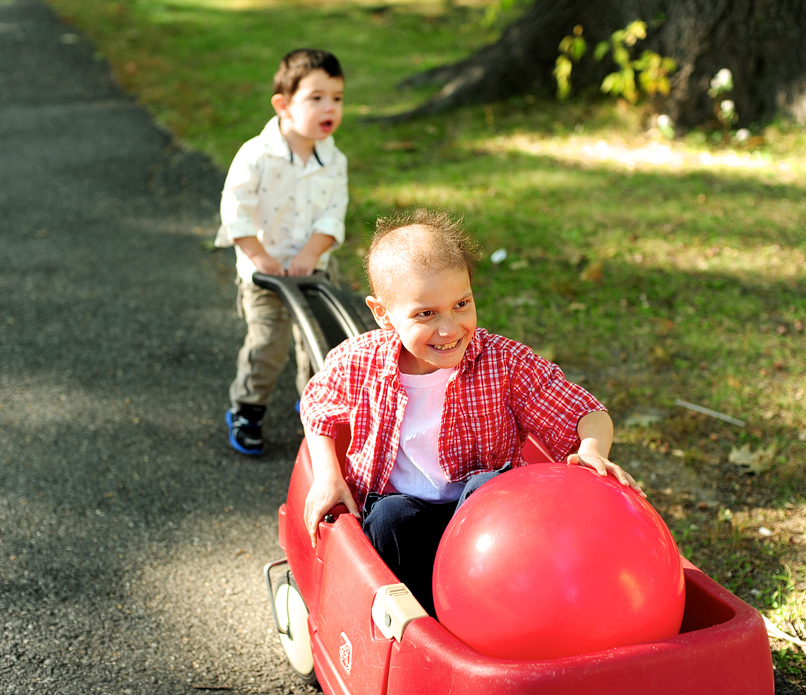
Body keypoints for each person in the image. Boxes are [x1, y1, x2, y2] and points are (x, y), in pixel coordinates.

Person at [298, 208, 643, 614]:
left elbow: (586, 411)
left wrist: (591, 451)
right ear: (382, 313)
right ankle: (422, 621)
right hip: (406, 518)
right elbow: (318, 404)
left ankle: (488, 609)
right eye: (426, 314)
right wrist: (327, 475)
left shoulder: (504, 362)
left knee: (489, 487)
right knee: (391, 518)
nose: (449, 328)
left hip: (487, 530)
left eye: (461, 303)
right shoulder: (359, 361)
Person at [214, 49, 348, 456]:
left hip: (313, 270)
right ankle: (247, 409)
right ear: (283, 105)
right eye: (317, 98)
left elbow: (333, 212)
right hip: (264, 274)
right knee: (269, 343)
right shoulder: (257, 154)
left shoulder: (333, 159)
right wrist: (259, 257)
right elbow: (235, 209)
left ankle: (315, 401)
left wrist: (312, 252)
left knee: (321, 341)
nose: (330, 107)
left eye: (338, 98)